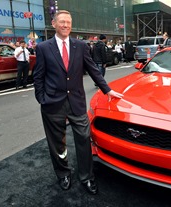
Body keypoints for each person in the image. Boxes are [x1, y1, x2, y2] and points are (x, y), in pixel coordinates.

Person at [33, 10, 123, 195]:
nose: (65, 25)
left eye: (68, 22)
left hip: (76, 102)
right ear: (54, 24)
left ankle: (87, 177)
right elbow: (38, 76)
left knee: (83, 139)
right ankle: (63, 173)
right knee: (57, 143)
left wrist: (107, 89)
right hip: (52, 104)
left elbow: (93, 69)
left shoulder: (80, 46)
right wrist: (42, 99)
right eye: (62, 22)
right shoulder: (43, 48)